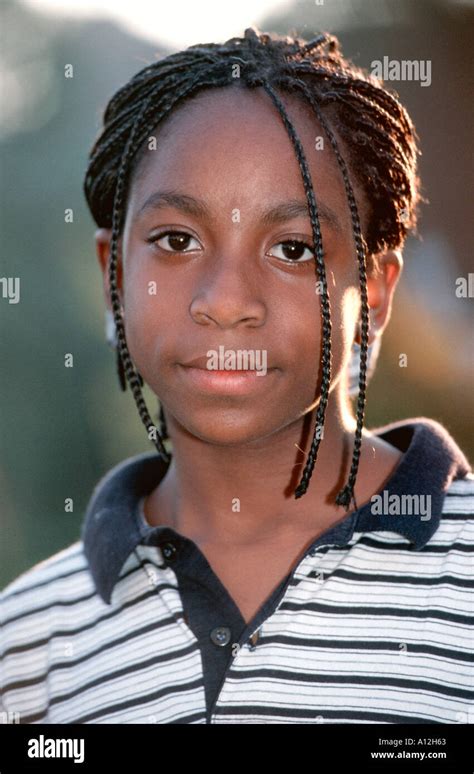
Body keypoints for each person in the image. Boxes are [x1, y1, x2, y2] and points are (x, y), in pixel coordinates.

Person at [1, 27, 472, 725]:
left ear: (373, 293)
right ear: (114, 276)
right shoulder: (26, 646)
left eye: (293, 248)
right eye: (177, 241)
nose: (225, 300)